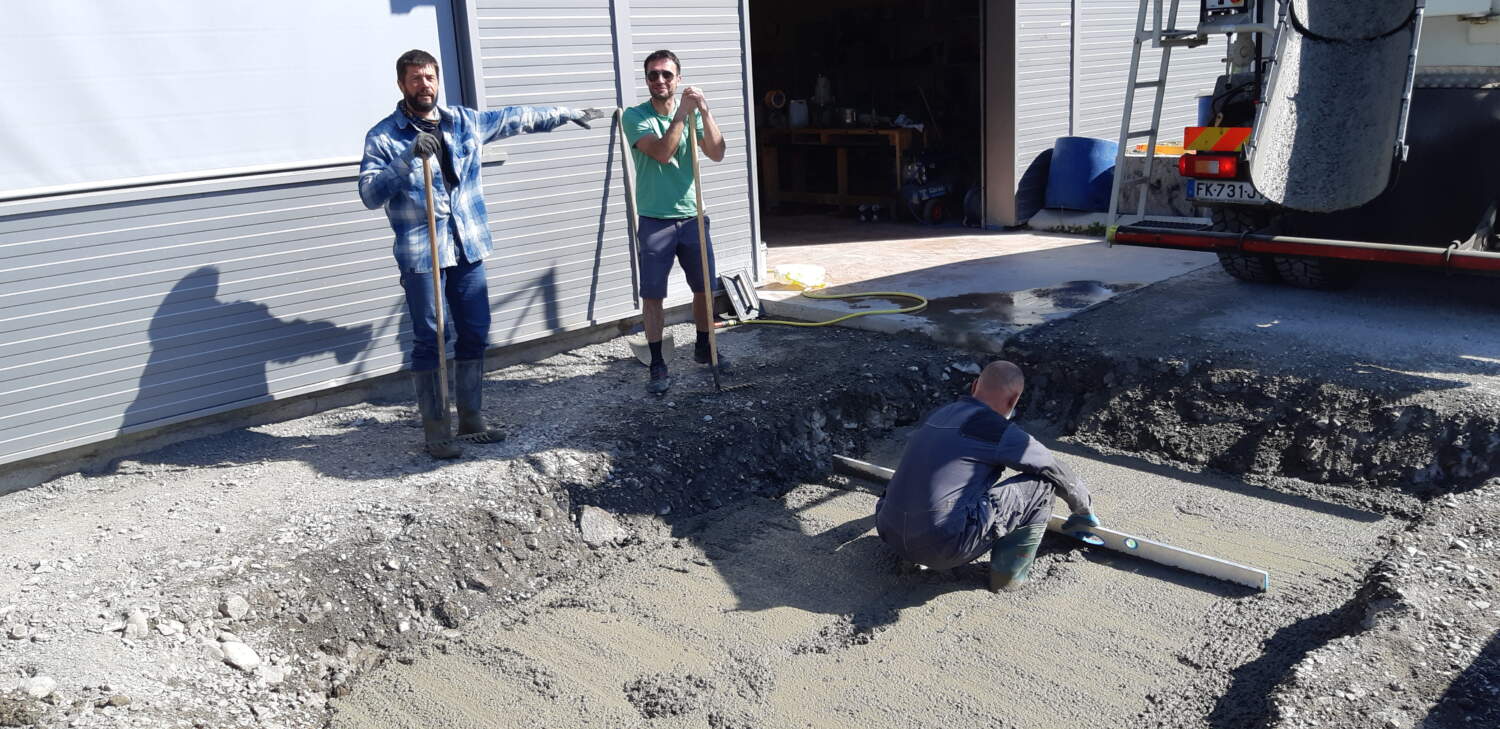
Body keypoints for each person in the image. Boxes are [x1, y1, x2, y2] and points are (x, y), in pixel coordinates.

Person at [358, 49, 604, 458]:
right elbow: (369, 194)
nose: (424, 85)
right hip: (422, 253)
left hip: (467, 246)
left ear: (438, 80)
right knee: (431, 337)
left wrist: (567, 112)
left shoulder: (464, 122)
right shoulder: (383, 137)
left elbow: (517, 118)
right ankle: (436, 430)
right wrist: (407, 158)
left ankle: (471, 419)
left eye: (430, 77)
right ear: (401, 84)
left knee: (475, 330)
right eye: (415, 78)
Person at [875, 361, 1100, 591]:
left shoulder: (940, 414)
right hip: (942, 546)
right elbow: (1052, 467)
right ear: (1013, 400)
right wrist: (1084, 510)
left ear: (974, 386)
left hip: (887, 529)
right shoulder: (996, 429)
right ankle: (1007, 578)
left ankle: (912, 546)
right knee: (1042, 486)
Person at [622, 49, 728, 394]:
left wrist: (705, 112)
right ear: (646, 80)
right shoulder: (635, 117)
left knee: (704, 289)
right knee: (653, 294)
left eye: (667, 74)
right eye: (653, 74)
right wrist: (682, 114)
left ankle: (704, 347)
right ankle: (657, 363)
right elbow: (662, 152)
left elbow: (717, 152)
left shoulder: (692, 115)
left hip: (693, 215)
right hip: (656, 220)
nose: (660, 80)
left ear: (678, 78)